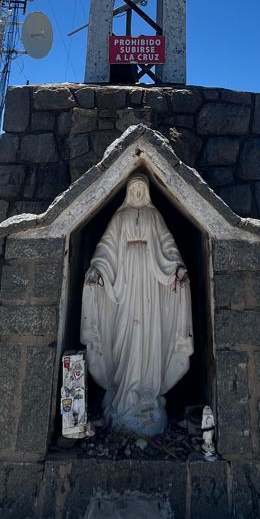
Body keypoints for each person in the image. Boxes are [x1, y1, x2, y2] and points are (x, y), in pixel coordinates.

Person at [80, 172, 193, 437]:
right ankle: (122, 391)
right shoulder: (119, 218)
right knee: (124, 336)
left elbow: (168, 247)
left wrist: (177, 269)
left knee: (150, 337)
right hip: (125, 289)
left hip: (151, 288)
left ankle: (147, 393)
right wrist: (97, 269)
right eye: (135, 189)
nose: (139, 193)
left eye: (143, 189)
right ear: (129, 192)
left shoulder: (155, 217)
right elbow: (106, 250)